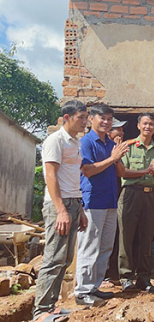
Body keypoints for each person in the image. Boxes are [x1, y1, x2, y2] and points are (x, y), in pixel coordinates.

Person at [33, 100, 89, 321]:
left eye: (86, 117)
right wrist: (61, 211)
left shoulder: (75, 142)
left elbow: (73, 178)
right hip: (60, 204)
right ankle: (41, 312)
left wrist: (80, 209)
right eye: (81, 117)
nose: (85, 121)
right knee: (54, 258)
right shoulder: (55, 141)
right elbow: (50, 176)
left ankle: (52, 306)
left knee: (65, 259)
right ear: (67, 118)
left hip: (73, 202)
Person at [75, 104, 128, 306]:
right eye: (102, 118)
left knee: (105, 246)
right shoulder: (86, 142)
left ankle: (94, 287)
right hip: (93, 201)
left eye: (109, 119)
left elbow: (119, 172)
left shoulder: (109, 143)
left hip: (110, 200)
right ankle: (82, 292)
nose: (106, 122)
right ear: (91, 119)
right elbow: (87, 170)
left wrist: (117, 158)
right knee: (89, 246)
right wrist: (112, 158)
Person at [117, 112, 154, 293]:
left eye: (151, 124)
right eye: (145, 123)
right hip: (131, 194)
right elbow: (123, 172)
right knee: (127, 237)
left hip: (150, 196)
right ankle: (125, 277)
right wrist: (147, 170)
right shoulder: (128, 147)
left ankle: (144, 278)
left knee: (147, 238)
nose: (148, 127)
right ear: (139, 125)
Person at [104, 117, 128, 282]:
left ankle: (114, 272)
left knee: (117, 236)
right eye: (117, 130)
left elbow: (123, 172)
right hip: (101, 199)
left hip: (118, 198)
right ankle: (101, 275)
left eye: (121, 131)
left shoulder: (124, 150)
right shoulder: (103, 148)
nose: (121, 133)